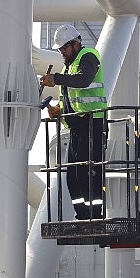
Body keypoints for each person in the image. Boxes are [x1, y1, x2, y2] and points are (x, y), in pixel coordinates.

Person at [40, 24, 108, 220]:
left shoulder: (88, 56)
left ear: (75, 44)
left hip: (92, 122)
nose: (62, 53)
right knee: (72, 176)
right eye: (60, 49)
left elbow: (84, 80)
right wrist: (58, 111)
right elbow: (71, 98)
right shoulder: (69, 67)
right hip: (78, 125)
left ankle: (94, 214)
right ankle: (83, 214)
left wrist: (56, 79)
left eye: (64, 48)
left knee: (89, 171)